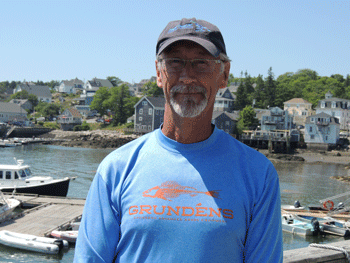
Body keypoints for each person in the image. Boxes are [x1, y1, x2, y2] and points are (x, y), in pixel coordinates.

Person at [74, 18, 283, 263]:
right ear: (159, 74)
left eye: (201, 63)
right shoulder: (115, 169)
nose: (186, 76)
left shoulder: (259, 174)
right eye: (175, 63)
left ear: (223, 74)